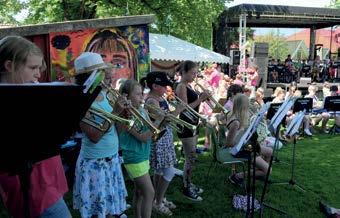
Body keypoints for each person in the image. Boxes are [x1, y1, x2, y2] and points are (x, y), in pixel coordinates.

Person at [0, 36, 71, 218]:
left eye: (39, 68)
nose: (38, 75)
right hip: (34, 190)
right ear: (9, 66)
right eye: (32, 68)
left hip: (49, 181)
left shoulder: (32, 93)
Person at [72, 52, 128, 218]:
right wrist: (116, 112)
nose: (106, 76)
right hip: (95, 164)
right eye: (101, 72)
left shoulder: (106, 93)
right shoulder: (80, 100)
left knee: (110, 210)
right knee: (98, 213)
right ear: (90, 76)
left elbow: (115, 130)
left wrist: (124, 116)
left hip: (112, 160)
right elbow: (94, 137)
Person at [118, 79, 162, 218]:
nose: (141, 97)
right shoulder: (125, 115)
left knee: (140, 193)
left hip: (143, 155)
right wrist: (159, 121)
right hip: (133, 157)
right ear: (126, 96)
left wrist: (161, 119)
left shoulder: (141, 110)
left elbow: (151, 128)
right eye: (137, 94)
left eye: (141, 93)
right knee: (150, 193)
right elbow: (142, 137)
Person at [141, 71, 183, 216]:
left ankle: (158, 198)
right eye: (164, 85)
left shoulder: (159, 97)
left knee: (159, 171)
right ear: (154, 86)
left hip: (164, 137)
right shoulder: (151, 101)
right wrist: (179, 109)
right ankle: (158, 202)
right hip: (159, 139)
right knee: (169, 170)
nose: (167, 88)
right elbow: (164, 120)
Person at [175, 60, 209, 201]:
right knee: (191, 157)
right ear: (184, 72)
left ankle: (189, 182)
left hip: (193, 123)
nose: (195, 76)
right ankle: (186, 186)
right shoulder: (181, 86)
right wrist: (201, 98)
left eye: (196, 73)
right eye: (193, 73)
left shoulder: (188, 85)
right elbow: (185, 108)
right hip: (186, 124)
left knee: (192, 157)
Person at [222, 94, 272, 186]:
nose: (249, 107)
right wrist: (245, 143)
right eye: (247, 105)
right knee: (268, 170)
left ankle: (261, 173)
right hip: (239, 150)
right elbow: (229, 143)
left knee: (269, 151)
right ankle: (237, 176)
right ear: (243, 106)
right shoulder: (235, 122)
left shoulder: (235, 115)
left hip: (243, 146)